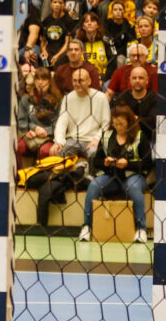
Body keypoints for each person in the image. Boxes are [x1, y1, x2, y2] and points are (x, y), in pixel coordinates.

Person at [78, 104, 152, 243]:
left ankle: (141, 229)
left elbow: (148, 163)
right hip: (111, 177)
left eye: (121, 124)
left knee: (133, 188)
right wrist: (106, 163)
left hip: (134, 177)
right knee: (94, 185)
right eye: (115, 123)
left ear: (129, 122)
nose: (118, 127)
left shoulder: (140, 137)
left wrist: (127, 164)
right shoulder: (106, 136)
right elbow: (96, 161)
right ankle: (86, 227)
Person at [49, 68, 110, 159]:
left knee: (94, 153)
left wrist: (98, 138)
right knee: (58, 153)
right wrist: (59, 142)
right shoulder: (68, 98)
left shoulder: (101, 98)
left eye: (81, 80)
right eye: (74, 81)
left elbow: (106, 123)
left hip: (91, 139)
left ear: (89, 81)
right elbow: (62, 122)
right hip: (73, 139)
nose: (77, 84)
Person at [17, 67, 61, 163]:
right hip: (31, 134)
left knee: (44, 150)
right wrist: (32, 129)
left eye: (43, 79)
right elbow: (22, 121)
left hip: (50, 136)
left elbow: (59, 122)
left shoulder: (58, 100)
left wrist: (46, 131)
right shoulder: (26, 99)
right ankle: (19, 172)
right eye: (37, 79)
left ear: (49, 81)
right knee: (19, 146)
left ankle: (43, 173)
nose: (40, 82)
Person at [113, 66, 157, 142]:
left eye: (141, 78)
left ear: (147, 80)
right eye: (134, 78)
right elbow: (118, 119)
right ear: (130, 80)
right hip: (126, 138)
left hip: (149, 139)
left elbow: (153, 122)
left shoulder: (154, 98)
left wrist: (132, 119)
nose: (137, 81)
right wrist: (138, 120)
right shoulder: (123, 97)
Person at [75, 12, 117, 80]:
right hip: (82, 78)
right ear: (83, 26)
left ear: (97, 25)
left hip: (104, 78)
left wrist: (103, 79)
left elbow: (112, 62)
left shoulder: (107, 41)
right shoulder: (78, 43)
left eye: (92, 21)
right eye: (86, 21)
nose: (89, 23)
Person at [40, 0, 74, 69]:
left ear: (64, 5)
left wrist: (57, 56)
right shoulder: (46, 20)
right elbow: (43, 41)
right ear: (51, 4)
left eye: (60, 3)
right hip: (49, 51)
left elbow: (68, 43)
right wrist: (44, 51)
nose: (57, 5)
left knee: (58, 65)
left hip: (62, 52)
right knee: (44, 63)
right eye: (55, 2)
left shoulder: (68, 20)